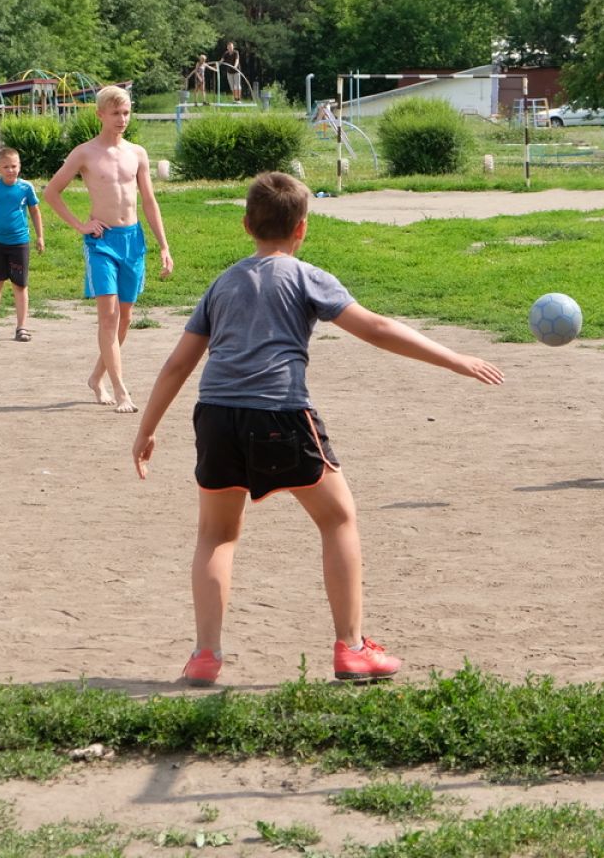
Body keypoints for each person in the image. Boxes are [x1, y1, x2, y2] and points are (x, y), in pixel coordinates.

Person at [131, 171, 505, 687]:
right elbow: (375, 327)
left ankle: (205, 656)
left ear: (246, 225)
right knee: (339, 519)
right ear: (302, 229)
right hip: (281, 414)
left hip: (215, 414)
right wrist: (455, 358)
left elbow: (177, 364)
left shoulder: (222, 283)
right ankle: (352, 648)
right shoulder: (307, 276)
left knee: (216, 534)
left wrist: (146, 429)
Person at [42, 85, 174, 413]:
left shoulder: (138, 153)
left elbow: (148, 201)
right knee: (108, 317)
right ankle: (120, 389)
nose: (122, 119)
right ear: (100, 114)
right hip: (101, 243)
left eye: (126, 112)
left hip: (133, 241)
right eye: (115, 113)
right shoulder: (84, 153)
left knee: (125, 318)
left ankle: (97, 377)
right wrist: (80, 225)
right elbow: (52, 192)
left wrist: (164, 246)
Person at [0, 147, 46, 341]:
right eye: (6, 167)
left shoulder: (26, 188)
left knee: (20, 285)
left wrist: (40, 236)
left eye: (14, 166)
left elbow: (35, 211)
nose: (10, 170)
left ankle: (22, 327)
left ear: (19, 166)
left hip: (19, 243)